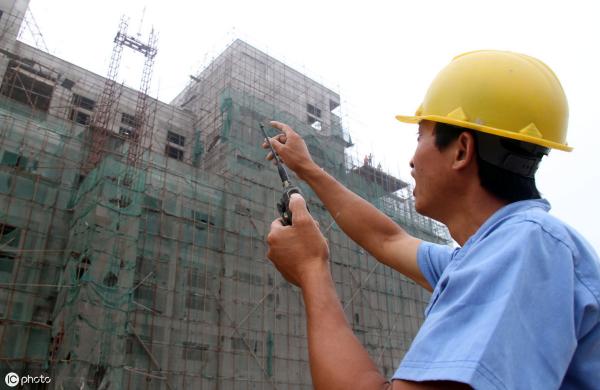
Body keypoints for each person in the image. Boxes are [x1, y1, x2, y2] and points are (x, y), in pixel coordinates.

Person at [263, 50, 600, 389]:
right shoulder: (499, 250)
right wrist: (307, 168)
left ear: (461, 150)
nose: (411, 160)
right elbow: (388, 239)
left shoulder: (524, 248)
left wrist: (311, 270)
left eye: (420, 136)